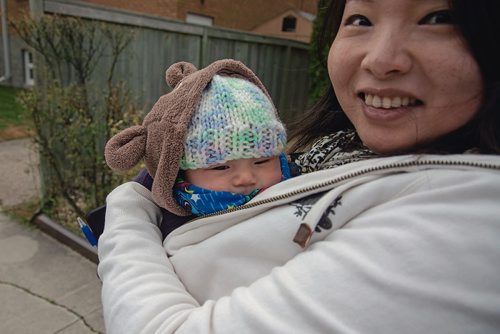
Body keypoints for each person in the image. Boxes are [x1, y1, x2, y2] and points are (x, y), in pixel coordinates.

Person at [97, 0, 500, 333]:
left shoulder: (460, 227)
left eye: (436, 18)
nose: (381, 60)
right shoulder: (343, 148)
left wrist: (128, 213)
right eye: (360, 19)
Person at [103, 59, 291, 235]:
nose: (246, 179)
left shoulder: (295, 199)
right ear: (180, 170)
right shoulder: (163, 220)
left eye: (262, 161)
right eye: (220, 166)